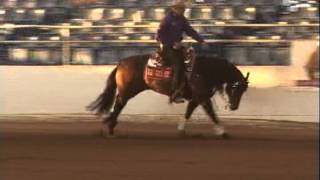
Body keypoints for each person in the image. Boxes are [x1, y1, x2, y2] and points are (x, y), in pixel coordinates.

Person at [155, 0, 205, 103]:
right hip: (167, 47)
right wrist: (172, 43)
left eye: (183, 9)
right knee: (178, 65)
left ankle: (186, 88)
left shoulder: (182, 19)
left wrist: (201, 40)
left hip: (177, 47)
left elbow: (190, 31)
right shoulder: (167, 19)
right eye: (180, 8)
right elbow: (159, 36)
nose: (182, 10)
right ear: (174, 9)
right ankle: (174, 92)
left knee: (190, 62)